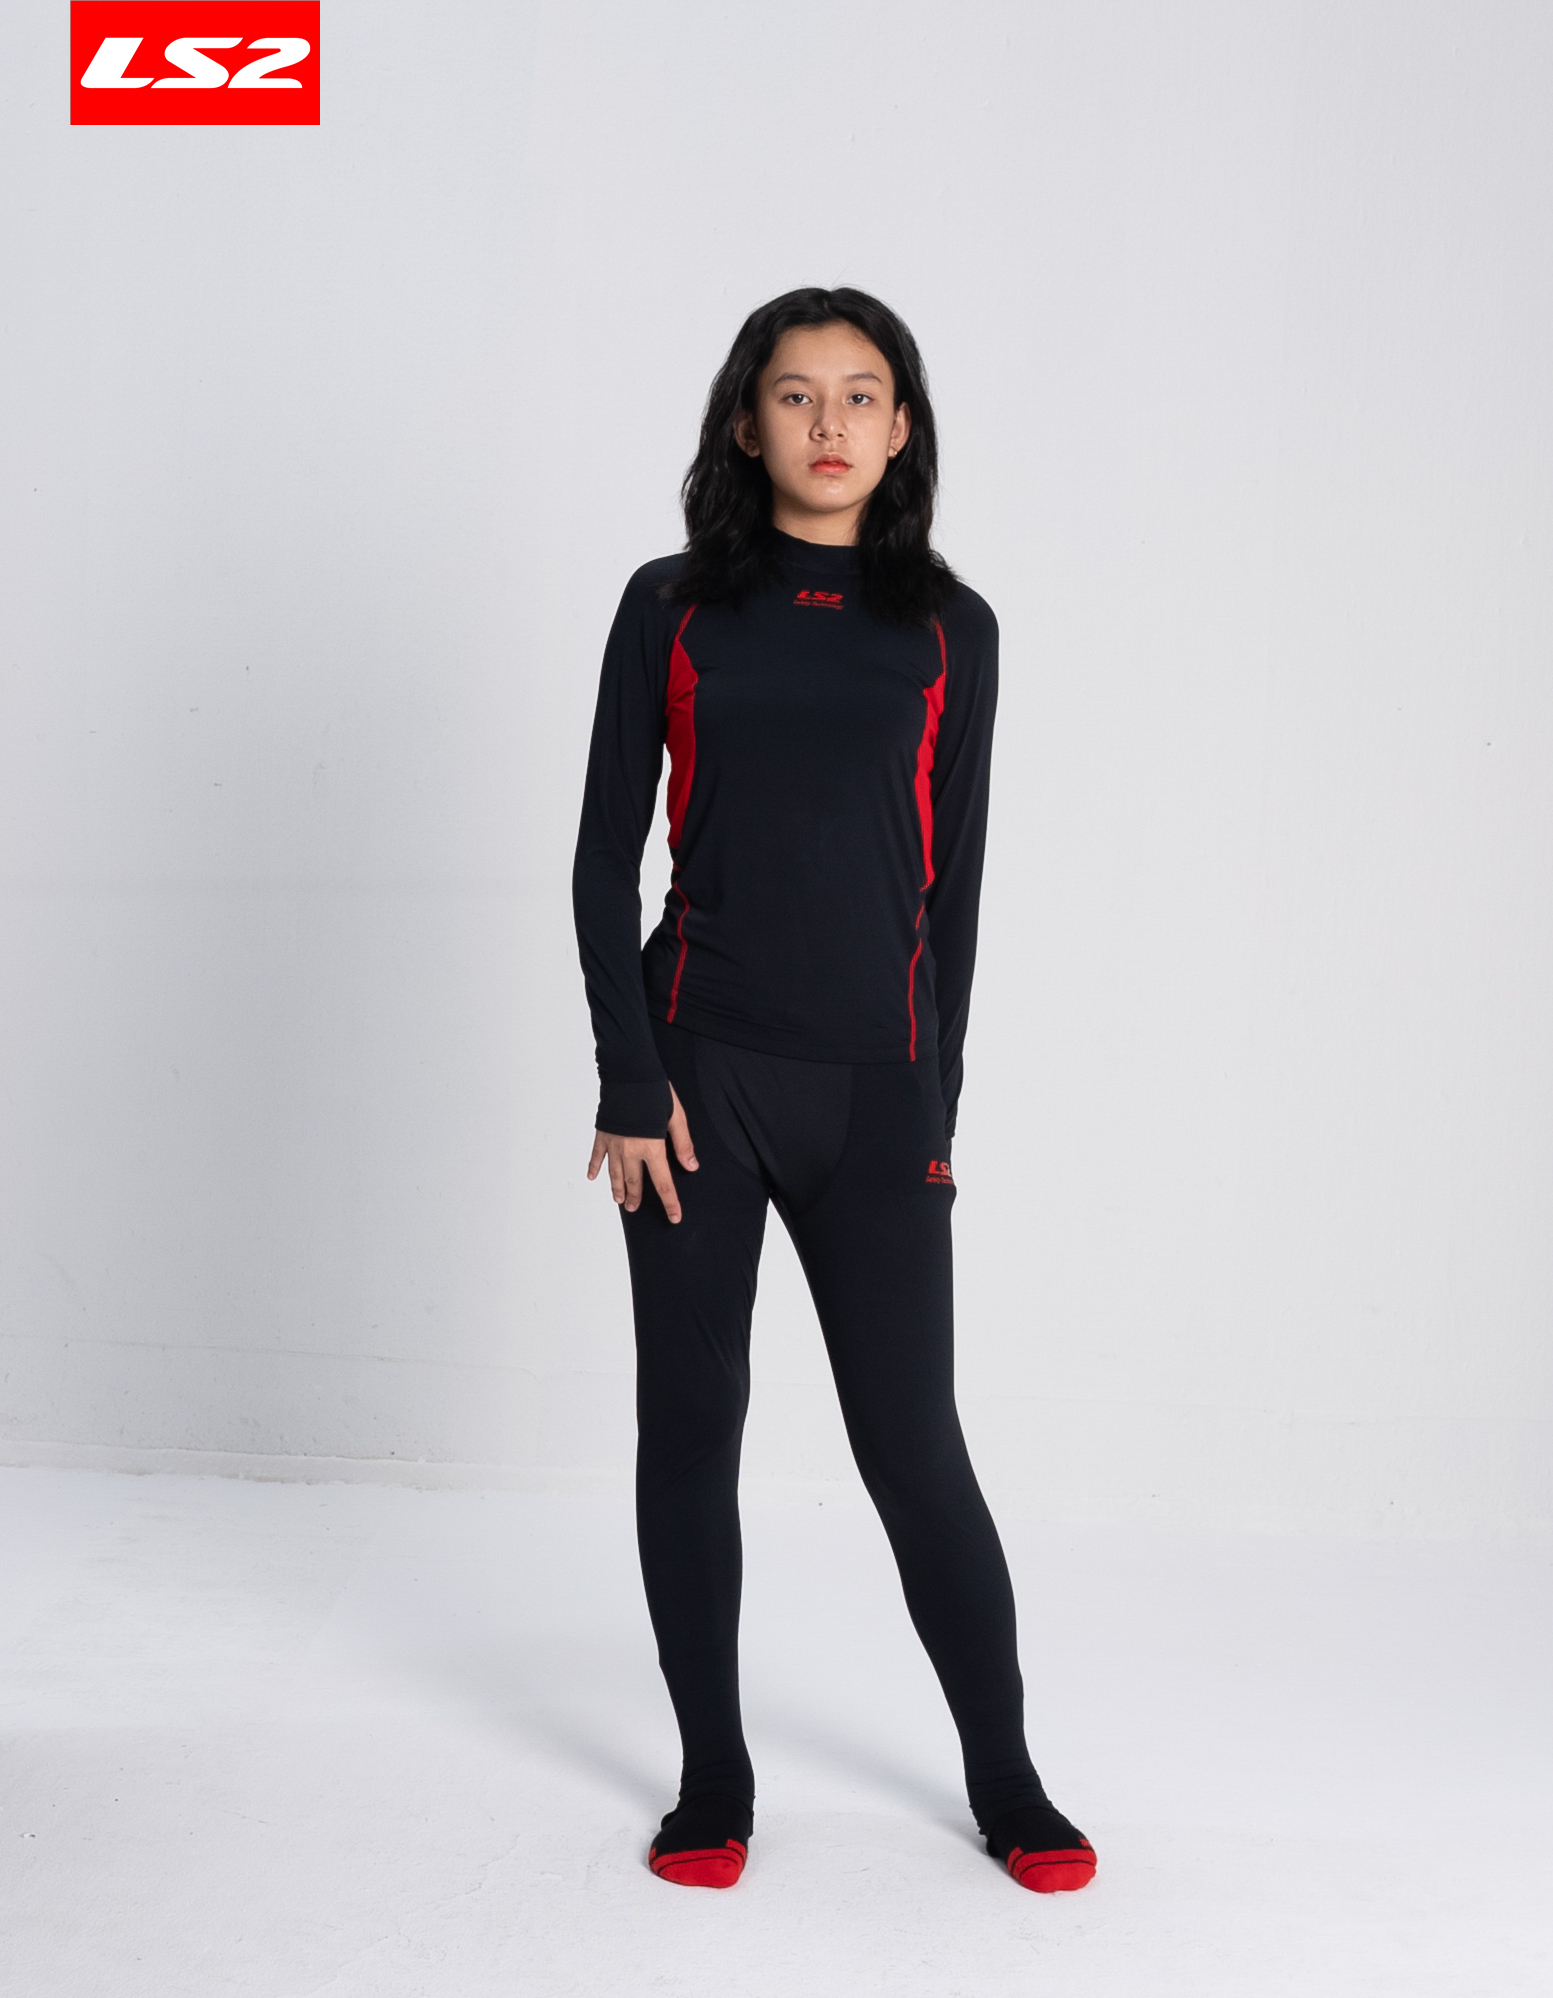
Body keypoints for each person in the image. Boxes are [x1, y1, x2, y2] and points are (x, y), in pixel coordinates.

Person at [571, 286, 1094, 1895]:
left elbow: (955, 900)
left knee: (913, 1447)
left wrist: (935, 1114)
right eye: (794, 394)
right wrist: (627, 1078)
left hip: (875, 1098)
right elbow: (599, 860)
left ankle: (1006, 1776)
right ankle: (712, 1778)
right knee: (691, 1428)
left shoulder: (950, 630)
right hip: (696, 1085)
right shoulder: (672, 606)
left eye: (860, 394)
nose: (827, 422)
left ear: (900, 425)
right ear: (746, 423)